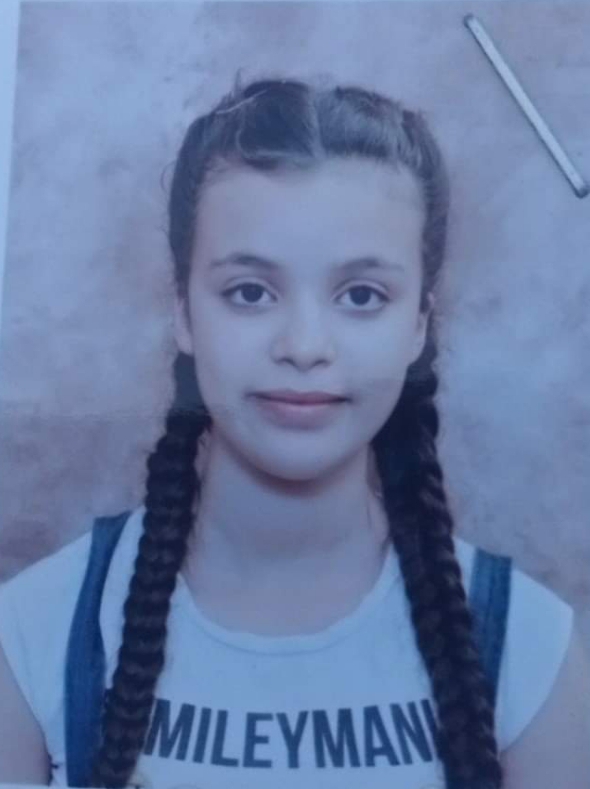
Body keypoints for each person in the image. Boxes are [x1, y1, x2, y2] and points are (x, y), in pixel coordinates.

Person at [0, 75, 588, 789]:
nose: (305, 345)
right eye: (250, 292)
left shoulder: (531, 651)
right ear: (184, 312)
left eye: (361, 295)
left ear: (418, 325)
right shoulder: (31, 635)